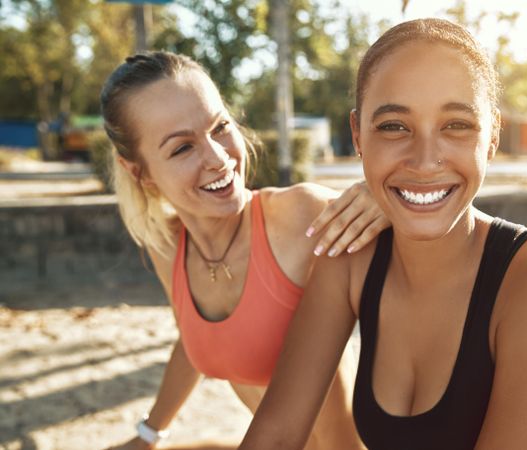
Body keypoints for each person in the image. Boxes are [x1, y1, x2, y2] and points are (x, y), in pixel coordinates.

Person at [239, 18, 527, 450]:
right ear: (357, 134)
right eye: (394, 126)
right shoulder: (350, 257)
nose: (425, 161)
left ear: (493, 137)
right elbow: (275, 436)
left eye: (456, 125)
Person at [100, 51, 386, 450]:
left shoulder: (302, 218)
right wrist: (149, 434)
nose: (218, 158)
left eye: (219, 127)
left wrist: (392, 201)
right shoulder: (168, 248)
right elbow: (194, 339)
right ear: (138, 171)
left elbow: (444, 279)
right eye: (182, 148)